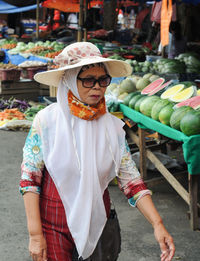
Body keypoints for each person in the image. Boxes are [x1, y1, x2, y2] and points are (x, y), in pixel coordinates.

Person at [19, 42, 175, 261]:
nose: (98, 87)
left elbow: (131, 181)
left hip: (98, 224)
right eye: (88, 80)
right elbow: (30, 180)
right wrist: (36, 235)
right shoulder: (46, 122)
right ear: (70, 80)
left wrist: (158, 225)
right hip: (53, 225)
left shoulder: (113, 128)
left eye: (103, 80)